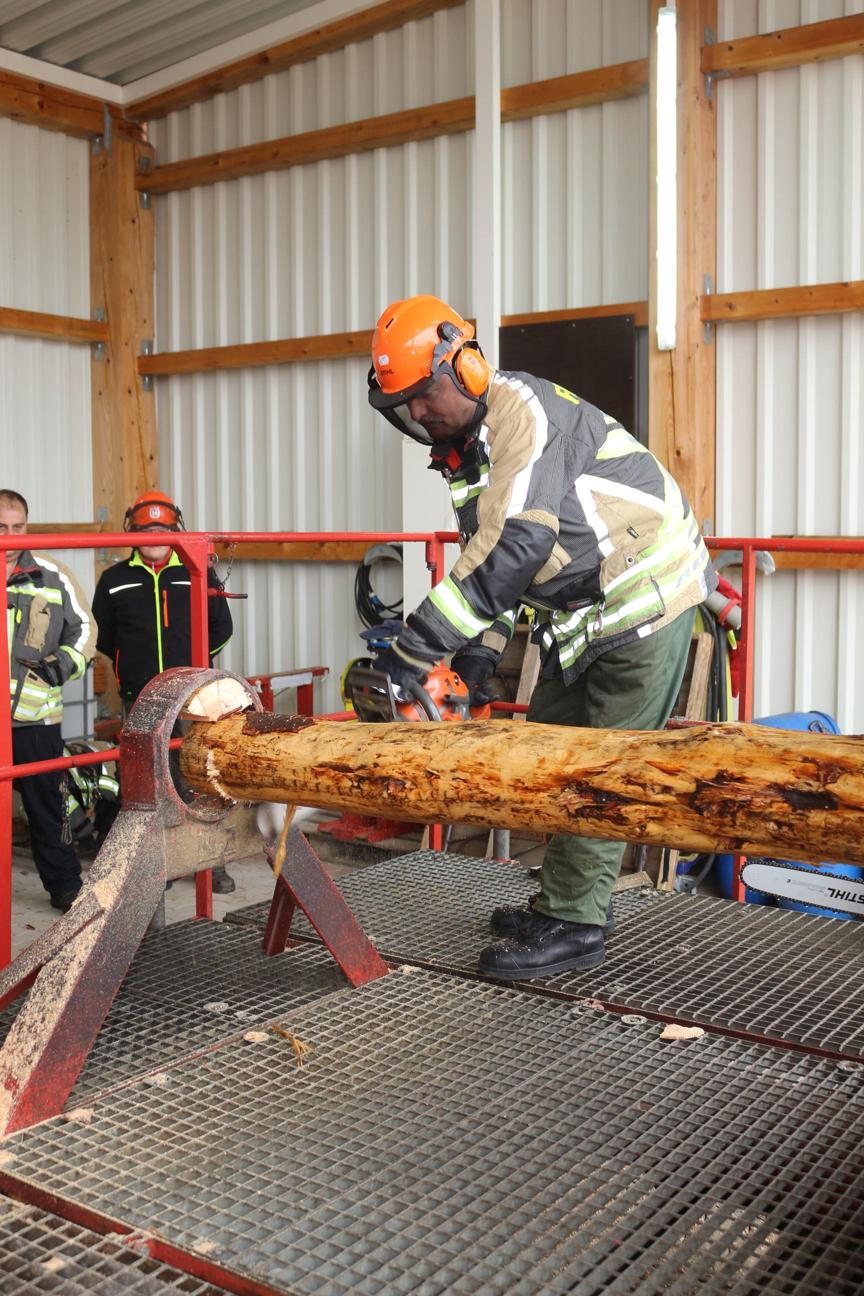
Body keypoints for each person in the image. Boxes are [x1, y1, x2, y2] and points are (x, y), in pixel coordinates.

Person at [366, 295, 717, 979]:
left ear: (464, 366)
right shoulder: (466, 456)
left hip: (644, 600)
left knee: (598, 770)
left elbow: (516, 551)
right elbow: (487, 568)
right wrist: (470, 665)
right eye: (405, 404)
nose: (419, 414)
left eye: (425, 394)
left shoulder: (523, 414)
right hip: (580, 616)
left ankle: (577, 922)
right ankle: (565, 899)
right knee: (548, 752)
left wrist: (415, 650)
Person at [91, 489, 237, 893]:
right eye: (144, 529)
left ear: (176, 531)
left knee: (199, 775)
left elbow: (221, 628)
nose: (153, 536)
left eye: (163, 529)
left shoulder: (197, 572)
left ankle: (211, 864)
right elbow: (105, 638)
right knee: (148, 781)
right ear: (131, 533)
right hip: (139, 696)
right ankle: (160, 863)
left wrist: (196, 669)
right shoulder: (114, 580)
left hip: (193, 698)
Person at [3, 489, 96, 912]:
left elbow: (85, 633)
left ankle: (63, 884)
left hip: (36, 719)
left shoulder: (52, 575)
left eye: (17, 527)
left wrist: (57, 668)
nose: (9, 536)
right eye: (1, 528)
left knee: (46, 805)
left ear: (28, 526)